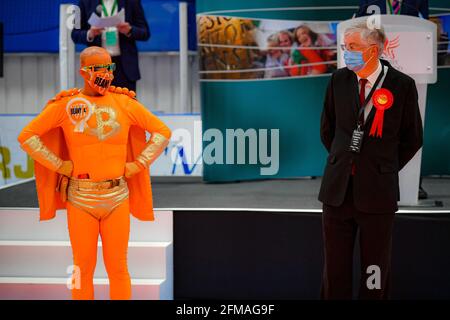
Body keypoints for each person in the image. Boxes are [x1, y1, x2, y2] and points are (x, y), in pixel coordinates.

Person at [17, 46, 171, 300]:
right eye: (98, 69)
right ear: (83, 72)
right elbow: (27, 136)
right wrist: (59, 165)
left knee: (118, 267)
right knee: (82, 267)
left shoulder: (124, 103)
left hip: (117, 196)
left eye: (109, 67)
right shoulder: (66, 105)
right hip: (80, 199)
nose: (106, 74)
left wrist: (138, 164)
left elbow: (162, 131)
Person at [318, 21, 423, 299]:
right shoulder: (338, 80)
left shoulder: (402, 85)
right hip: (337, 191)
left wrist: (382, 167)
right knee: (335, 270)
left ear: (373, 51)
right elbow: (327, 130)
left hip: (378, 193)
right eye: (344, 47)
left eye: (352, 48)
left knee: (374, 271)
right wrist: (346, 162)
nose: (346, 53)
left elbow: (413, 139)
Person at [71, 0, 150, 92]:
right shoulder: (84, 2)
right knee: (100, 105)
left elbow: (145, 33)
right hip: (98, 67)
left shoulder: (132, 2)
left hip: (124, 66)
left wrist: (129, 30)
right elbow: (74, 34)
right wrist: (90, 33)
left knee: (125, 104)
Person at [356, 0, 429, 19]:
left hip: (409, 43)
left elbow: (425, 24)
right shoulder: (370, 1)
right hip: (377, 43)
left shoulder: (419, 1)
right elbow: (359, 21)